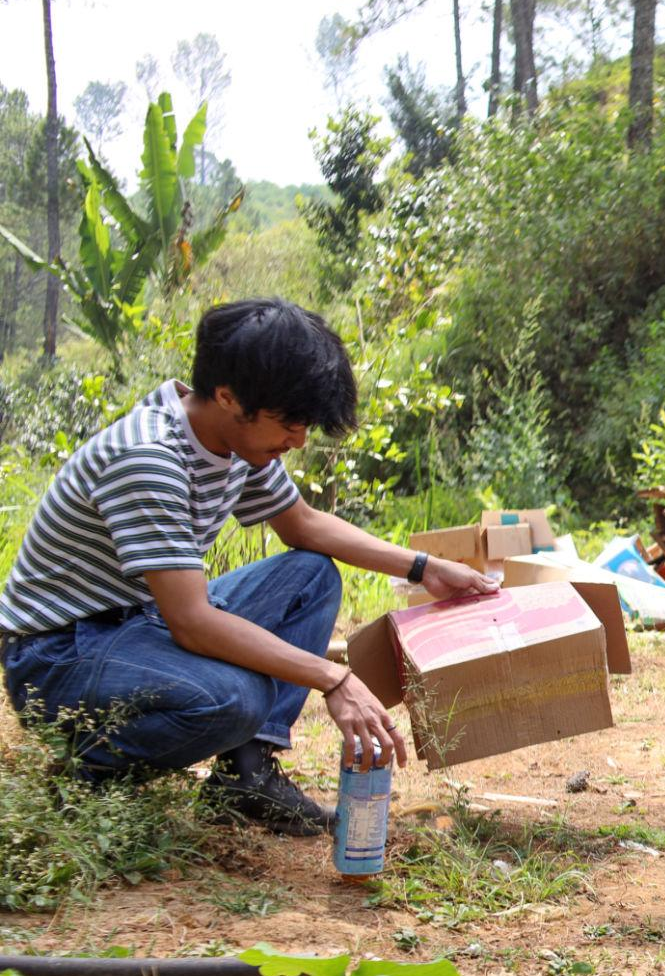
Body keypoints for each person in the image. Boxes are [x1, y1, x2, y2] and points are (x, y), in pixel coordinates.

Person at [0, 299, 495, 835]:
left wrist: (425, 568)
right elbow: (192, 622)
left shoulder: (234, 441)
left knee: (312, 575)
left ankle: (246, 776)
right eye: (289, 422)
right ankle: (87, 772)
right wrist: (333, 678)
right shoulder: (149, 458)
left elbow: (304, 526)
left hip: (137, 622)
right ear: (227, 396)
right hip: (59, 655)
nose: (298, 440)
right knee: (236, 699)